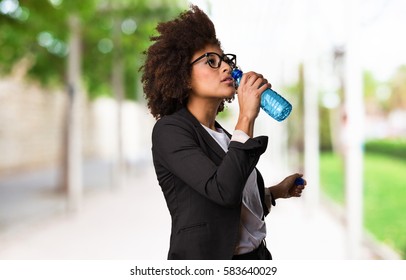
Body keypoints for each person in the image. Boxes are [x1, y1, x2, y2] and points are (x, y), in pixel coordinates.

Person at [141, 5, 307, 260]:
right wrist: (246, 116)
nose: (227, 68)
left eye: (226, 60)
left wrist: (275, 193)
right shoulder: (170, 131)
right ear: (183, 76)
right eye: (211, 61)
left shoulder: (226, 136)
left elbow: (235, 205)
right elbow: (222, 191)